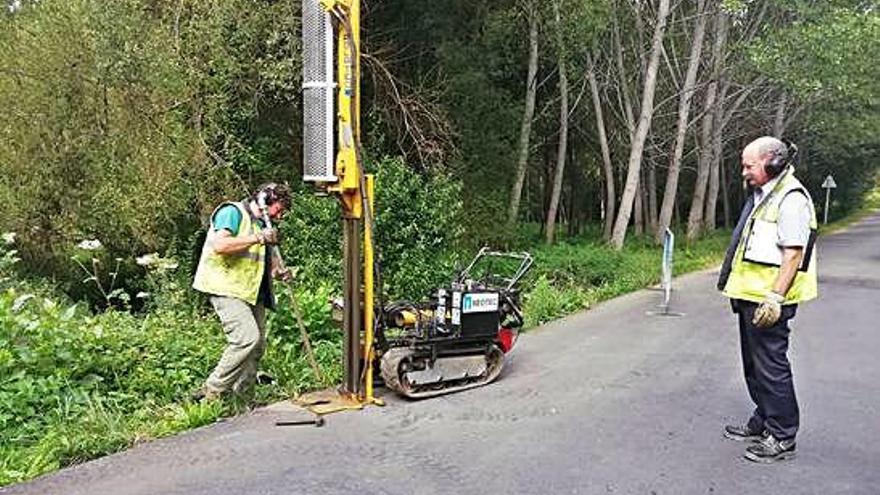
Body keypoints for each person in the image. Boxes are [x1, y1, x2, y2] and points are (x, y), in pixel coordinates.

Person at [717, 136, 818, 463]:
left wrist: (775, 298)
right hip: (750, 298)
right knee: (754, 365)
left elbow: (793, 254)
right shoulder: (764, 195)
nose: (744, 171)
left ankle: (783, 435)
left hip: (769, 301)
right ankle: (764, 419)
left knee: (771, 367)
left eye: (749, 165)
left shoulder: (790, 199)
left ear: (772, 162)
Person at [192, 183, 293, 401]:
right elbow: (221, 245)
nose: (281, 215)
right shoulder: (232, 212)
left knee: (257, 347)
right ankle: (212, 392)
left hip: (250, 290)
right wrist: (259, 238)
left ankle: (244, 399)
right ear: (266, 200)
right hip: (224, 287)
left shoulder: (263, 225)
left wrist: (280, 272)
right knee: (246, 339)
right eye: (280, 209)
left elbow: (268, 262)